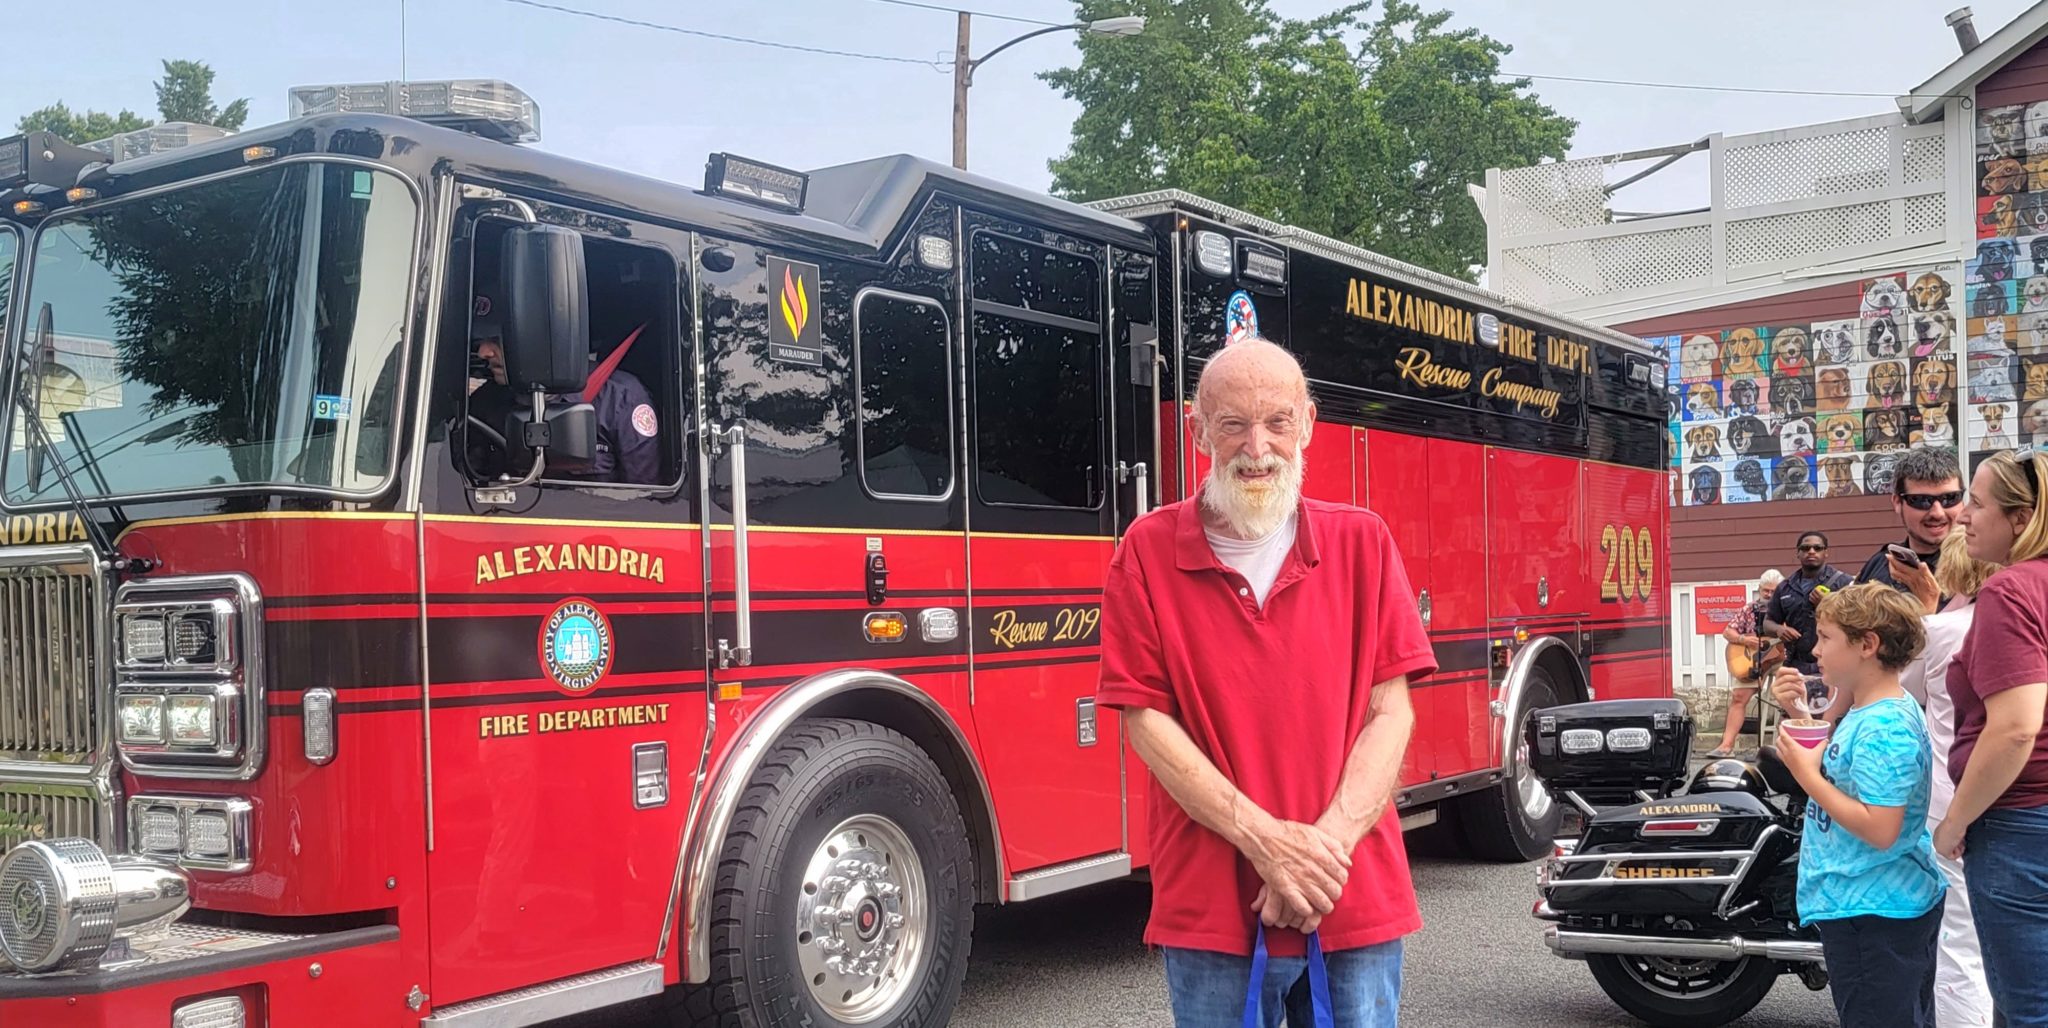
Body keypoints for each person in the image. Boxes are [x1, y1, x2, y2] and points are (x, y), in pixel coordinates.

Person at [1097, 337, 1433, 1027]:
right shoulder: (1147, 554)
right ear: (1196, 432)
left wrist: (1317, 856)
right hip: (1216, 911)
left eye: (1278, 422)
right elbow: (1146, 722)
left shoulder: (1362, 543)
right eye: (1232, 424)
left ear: (1308, 425)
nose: (1258, 447)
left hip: (1351, 898)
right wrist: (1268, 845)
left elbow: (1390, 714)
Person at [1769, 583, 1942, 1028]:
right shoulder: (1875, 711)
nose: (1814, 647)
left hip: (1875, 912)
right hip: (1876, 903)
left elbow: (1881, 828)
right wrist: (1800, 715)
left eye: (1826, 637)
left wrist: (1805, 774)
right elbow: (1845, 774)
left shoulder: (1884, 727)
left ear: (1868, 645)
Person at [1932, 447, 2048, 1025]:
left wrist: (1956, 821)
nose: (1961, 516)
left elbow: (2015, 726)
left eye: (1976, 504)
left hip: (2020, 824)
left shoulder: (2011, 591)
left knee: (2027, 1007)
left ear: (2022, 519)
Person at [1898, 530, 2002, 1028]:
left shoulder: (1941, 631)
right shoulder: (2023, 622)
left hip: (1948, 792)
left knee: (1957, 938)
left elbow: (1903, 691)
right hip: (2013, 793)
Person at [466, 293, 662, 485]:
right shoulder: (485, 402)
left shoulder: (621, 399)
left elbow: (644, 499)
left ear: (540, 338)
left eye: (497, 339)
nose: (483, 352)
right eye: (479, 341)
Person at [1855, 445, 1963, 599]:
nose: (1937, 513)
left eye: (1949, 498)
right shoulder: (1879, 564)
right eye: (1921, 501)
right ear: (1897, 502)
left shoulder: (1981, 568)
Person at [1711, 569, 1784, 758]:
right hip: (1754, 659)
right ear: (1759, 589)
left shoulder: (1787, 609)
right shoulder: (1749, 609)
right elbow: (1728, 632)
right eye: (1765, 590)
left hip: (1781, 658)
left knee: (1788, 693)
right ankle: (1726, 746)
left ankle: (1785, 748)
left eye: (1773, 591)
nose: (1768, 595)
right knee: (1738, 696)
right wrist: (1744, 640)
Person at [1763, 531, 1854, 676]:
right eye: (1805, 548)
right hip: (1797, 665)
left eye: (1817, 548)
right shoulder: (1785, 587)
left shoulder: (1845, 583)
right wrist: (1779, 630)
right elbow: (1768, 623)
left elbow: (1860, 621)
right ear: (1797, 553)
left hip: (1836, 664)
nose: (1811, 552)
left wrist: (1828, 603)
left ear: (1826, 553)